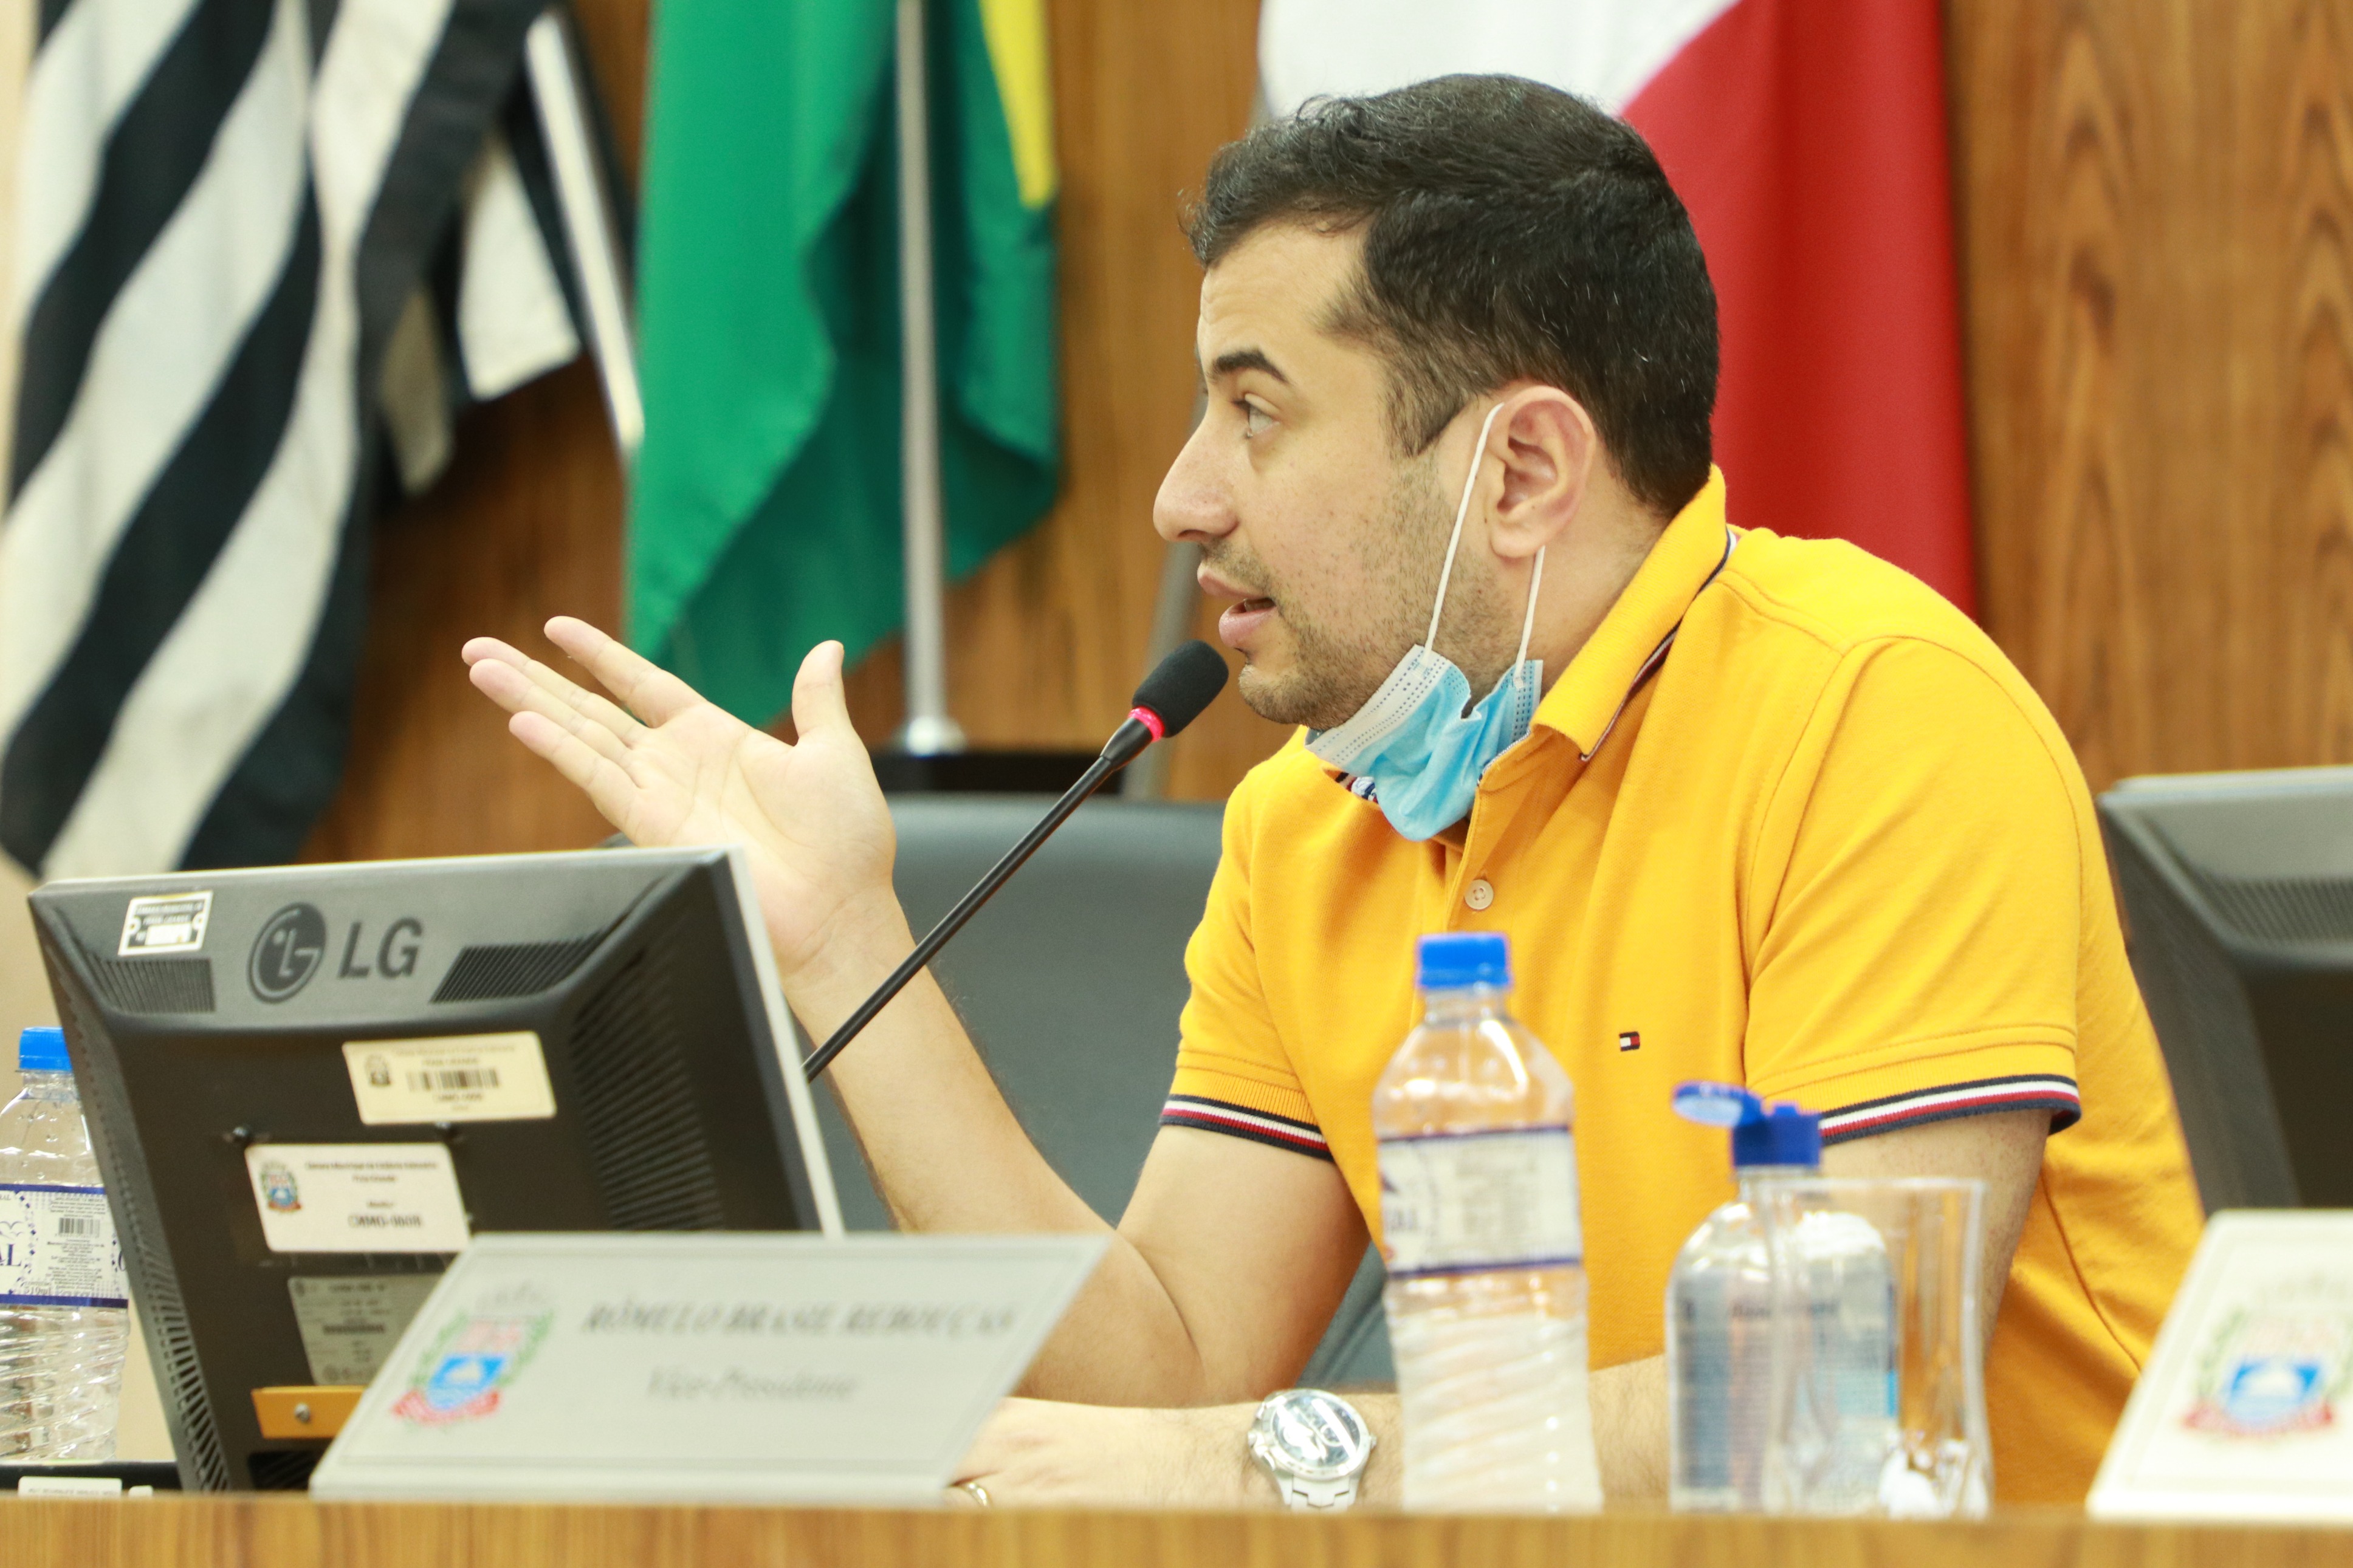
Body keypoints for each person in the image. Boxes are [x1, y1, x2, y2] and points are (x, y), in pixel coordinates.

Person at [462, 75, 2202, 1508]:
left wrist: (1249, 1467)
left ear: (1521, 469)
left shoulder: (1875, 715)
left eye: (1257, 412)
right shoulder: (1311, 818)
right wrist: (844, 942)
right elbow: (1162, 1378)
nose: (1180, 497)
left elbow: (1827, 1397)